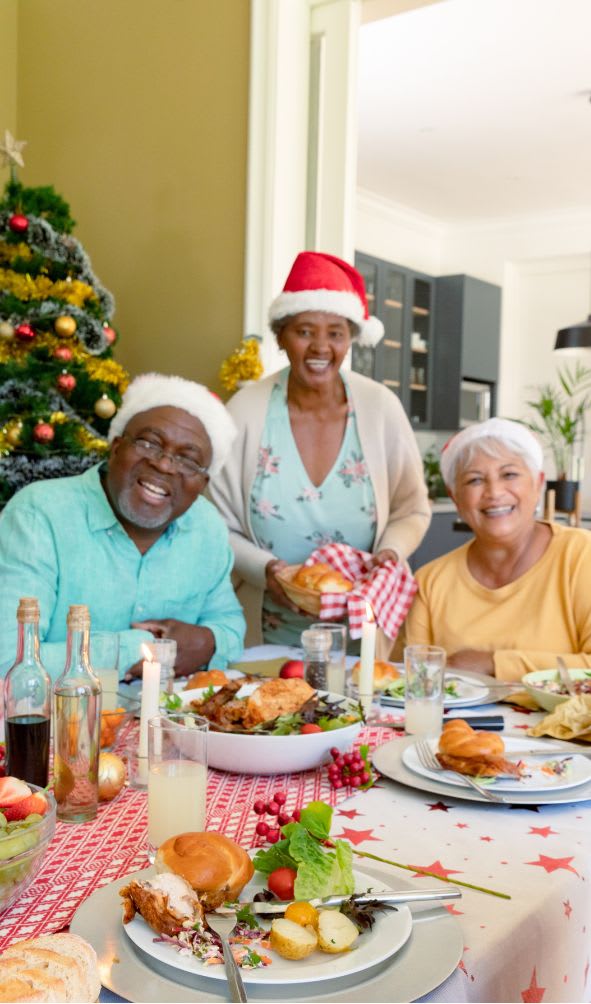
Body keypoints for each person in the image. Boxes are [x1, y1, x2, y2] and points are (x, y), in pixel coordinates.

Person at [209, 251, 431, 647]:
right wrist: (267, 570)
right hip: (262, 633)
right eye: (305, 331)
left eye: (336, 333)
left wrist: (391, 552)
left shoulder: (380, 408)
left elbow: (411, 509)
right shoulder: (244, 411)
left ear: (351, 339)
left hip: (360, 636)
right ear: (281, 336)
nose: (320, 347)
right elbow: (214, 525)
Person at [0, 373, 246, 681]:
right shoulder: (39, 513)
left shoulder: (206, 525)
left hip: (171, 723)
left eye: (188, 460)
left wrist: (208, 642)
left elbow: (230, 625)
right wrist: (142, 649)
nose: (165, 465)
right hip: (60, 723)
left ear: (202, 483)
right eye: (150, 443)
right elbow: (10, 658)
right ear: (116, 447)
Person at [404, 417, 591, 681]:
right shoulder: (430, 582)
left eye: (509, 474)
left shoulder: (581, 555)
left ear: (538, 484)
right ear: (455, 495)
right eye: (475, 480)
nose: (494, 492)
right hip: (455, 724)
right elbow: (412, 685)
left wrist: (492, 663)